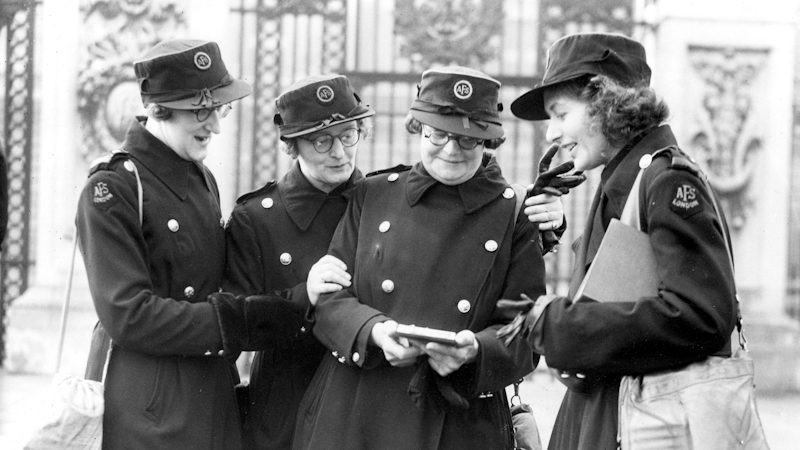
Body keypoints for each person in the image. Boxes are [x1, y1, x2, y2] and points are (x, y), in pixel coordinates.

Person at [292, 66, 547, 450]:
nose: (450, 150)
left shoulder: (513, 215)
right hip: (358, 409)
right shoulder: (372, 195)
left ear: (487, 142)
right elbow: (329, 298)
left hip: (457, 420)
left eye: (467, 140)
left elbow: (526, 331)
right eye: (438, 134)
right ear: (419, 129)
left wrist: (475, 350)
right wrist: (375, 331)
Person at [508, 33, 738, 449]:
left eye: (560, 115)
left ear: (603, 103)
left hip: (642, 421)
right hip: (613, 411)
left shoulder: (666, 181)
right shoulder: (628, 179)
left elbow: (703, 317)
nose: (551, 134)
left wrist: (564, 325)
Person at [75, 39, 253, 449]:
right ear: (159, 109)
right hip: (152, 408)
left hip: (211, 394)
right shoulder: (112, 187)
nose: (215, 126)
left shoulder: (202, 177)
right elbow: (129, 314)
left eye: (219, 109)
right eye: (201, 111)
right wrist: (231, 323)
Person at [223, 74, 375, 449]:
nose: (339, 153)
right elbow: (236, 324)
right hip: (287, 409)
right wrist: (302, 295)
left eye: (348, 135)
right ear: (292, 147)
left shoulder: (382, 202)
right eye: (321, 141)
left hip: (368, 403)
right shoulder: (256, 218)